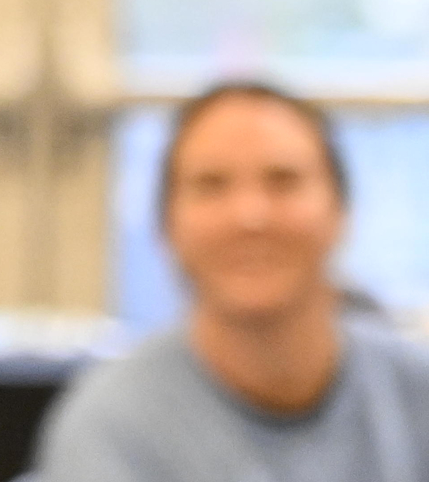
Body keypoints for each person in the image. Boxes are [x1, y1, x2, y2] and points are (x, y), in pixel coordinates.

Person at [30, 82, 429, 481]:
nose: (249, 215)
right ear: (166, 226)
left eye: (283, 181)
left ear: (341, 211)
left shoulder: (414, 395)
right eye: (211, 185)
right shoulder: (111, 428)